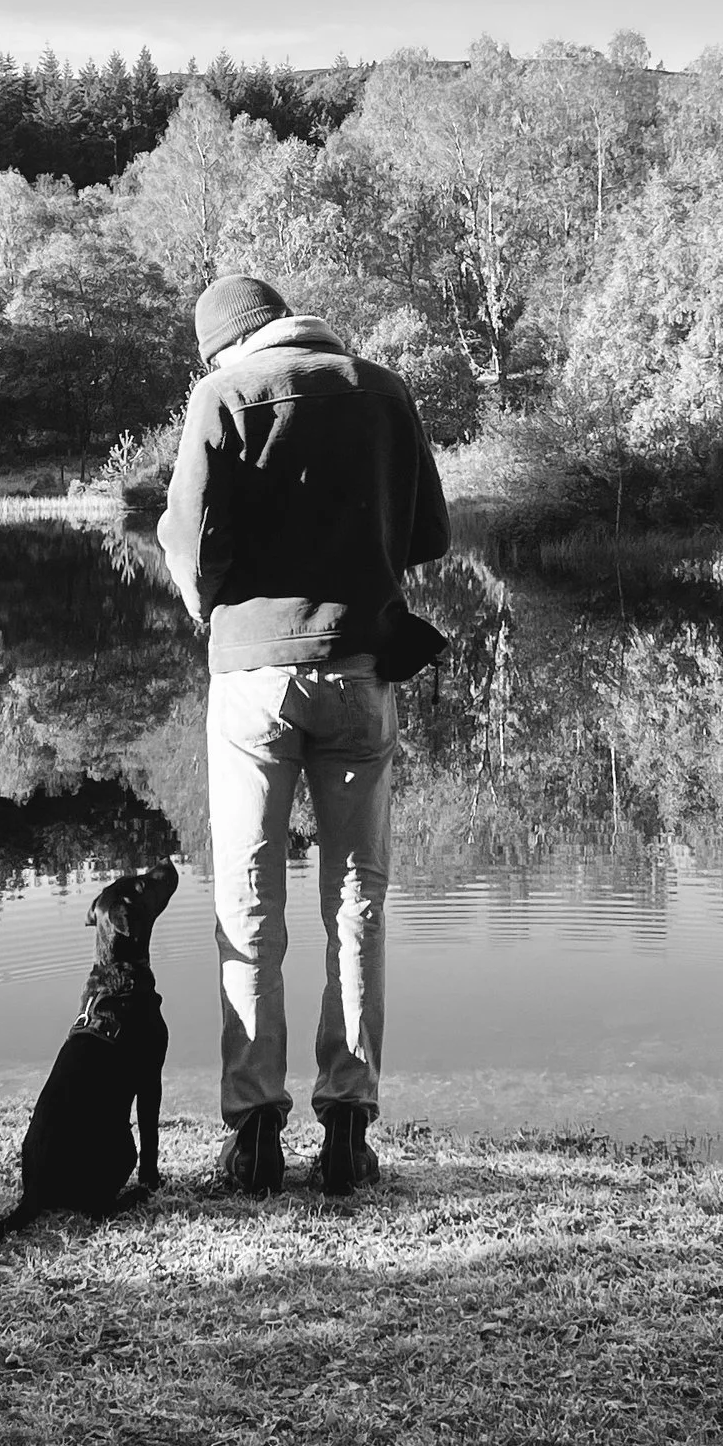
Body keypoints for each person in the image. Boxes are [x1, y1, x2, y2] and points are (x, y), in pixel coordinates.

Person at [157, 273, 451, 1197]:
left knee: (247, 902)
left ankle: (252, 1138)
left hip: (253, 680)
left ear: (226, 345)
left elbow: (192, 547)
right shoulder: (384, 389)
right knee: (357, 901)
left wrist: (215, 602)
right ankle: (350, 1133)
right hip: (360, 670)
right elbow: (430, 535)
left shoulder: (223, 396)